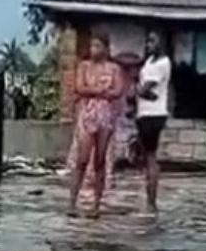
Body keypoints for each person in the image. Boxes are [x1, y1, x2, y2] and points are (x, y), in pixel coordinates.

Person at [65, 33, 126, 219]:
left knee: (100, 160)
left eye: (98, 46)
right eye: (92, 46)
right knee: (82, 159)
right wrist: (98, 91)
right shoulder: (84, 66)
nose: (94, 50)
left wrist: (97, 92)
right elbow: (79, 87)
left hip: (106, 116)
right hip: (88, 114)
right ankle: (72, 202)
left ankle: (96, 205)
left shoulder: (114, 68)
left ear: (106, 48)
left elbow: (118, 90)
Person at [135, 31, 172, 213]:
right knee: (146, 157)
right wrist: (141, 91)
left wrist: (140, 90)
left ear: (161, 43)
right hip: (144, 113)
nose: (148, 44)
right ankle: (149, 198)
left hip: (154, 114)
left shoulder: (163, 63)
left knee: (151, 157)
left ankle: (152, 201)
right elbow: (142, 90)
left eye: (153, 41)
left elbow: (144, 90)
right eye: (147, 40)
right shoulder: (149, 62)